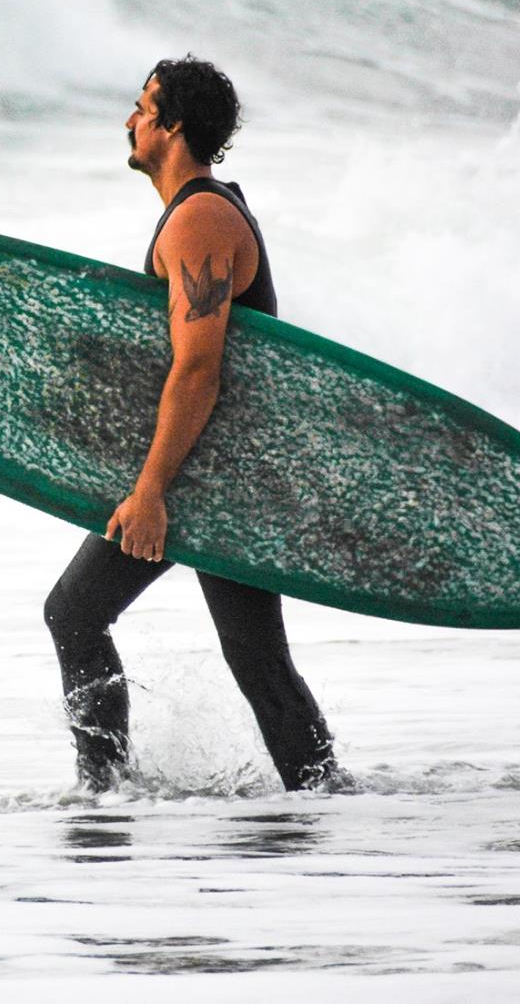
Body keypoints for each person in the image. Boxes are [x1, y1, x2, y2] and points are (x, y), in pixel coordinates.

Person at [43, 56, 338, 793]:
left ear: (173, 126)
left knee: (75, 613)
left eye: (143, 106)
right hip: (223, 468)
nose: (130, 120)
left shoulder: (202, 216)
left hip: (205, 471)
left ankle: (103, 793)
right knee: (257, 656)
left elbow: (198, 367)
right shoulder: (198, 211)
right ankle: (326, 796)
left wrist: (150, 491)